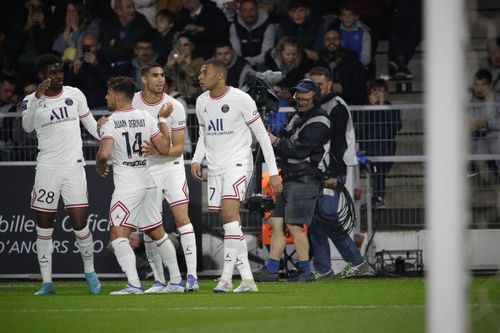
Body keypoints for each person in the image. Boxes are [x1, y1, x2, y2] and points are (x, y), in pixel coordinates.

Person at [191, 58, 282, 292]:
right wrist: (196, 158)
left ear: (220, 75)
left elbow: (262, 135)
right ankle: (248, 280)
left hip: (238, 163)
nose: (200, 76)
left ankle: (225, 278)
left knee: (230, 216)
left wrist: (272, 172)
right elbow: (204, 134)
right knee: (230, 224)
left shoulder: (241, 99)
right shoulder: (201, 102)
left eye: (204, 71)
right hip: (215, 167)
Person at [21, 53, 101, 296]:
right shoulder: (29, 100)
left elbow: (91, 125)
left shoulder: (74, 94)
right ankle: (47, 282)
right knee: (44, 226)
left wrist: (109, 137)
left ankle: (89, 271)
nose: (57, 76)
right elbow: (27, 127)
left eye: (60, 72)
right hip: (47, 169)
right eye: (52, 73)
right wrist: (36, 98)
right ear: (41, 76)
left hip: (74, 168)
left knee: (79, 223)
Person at [97, 76, 180, 295]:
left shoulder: (110, 122)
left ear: (116, 95)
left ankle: (134, 284)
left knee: (117, 234)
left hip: (128, 185)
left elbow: (104, 152)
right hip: (149, 182)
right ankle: (177, 282)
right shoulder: (145, 117)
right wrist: (162, 119)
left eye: (108, 93)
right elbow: (164, 147)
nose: (106, 97)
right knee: (158, 233)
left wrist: (99, 163)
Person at [132, 63, 199, 292]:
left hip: (171, 167)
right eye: (155, 75)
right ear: (144, 79)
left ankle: (191, 277)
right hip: (146, 170)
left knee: (182, 218)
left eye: (162, 75)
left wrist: (158, 150)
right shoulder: (133, 103)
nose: (160, 79)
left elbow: (178, 149)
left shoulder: (175, 107)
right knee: (150, 226)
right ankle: (161, 280)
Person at [255, 79, 330, 282]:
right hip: (288, 178)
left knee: (296, 227)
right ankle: (271, 270)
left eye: (306, 96)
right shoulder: (297, 115)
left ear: (315, 97)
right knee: (276, 224)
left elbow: (299, 150)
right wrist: (275, 138)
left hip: (304, 180)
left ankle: (306, 272)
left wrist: (276, 141)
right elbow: (284, 139)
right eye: (298, 96)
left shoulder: (320, 121)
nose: (301, 100)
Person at [308, 66, 372, 278]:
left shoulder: (336, 107)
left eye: (319, 85)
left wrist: (333, 174)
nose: (315, 89)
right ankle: (324, 268)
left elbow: (339, 144)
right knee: (316, 222)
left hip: (332, 172)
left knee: (327, 218)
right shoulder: (317, 105)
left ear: (329, 85)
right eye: (312, 85)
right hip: (319, 172)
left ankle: (357, 262)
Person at [357, 79, 402, 207]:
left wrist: (382, 107)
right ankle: (377, 197)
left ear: (386, 93)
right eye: (374, 91)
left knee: (378, 168)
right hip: (367, 148)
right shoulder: (364, 107)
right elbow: (359, 128)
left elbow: (395, 127)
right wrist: (371, 106)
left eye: (380, 91)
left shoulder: (391, 107)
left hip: (385, 148)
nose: (377, 94)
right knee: (375, 168)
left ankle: (378, 197)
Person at [318, 25, 368, 105]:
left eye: (335, 39)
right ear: (324, 42)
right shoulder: (318, 64)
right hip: (324, 110)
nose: (331, 42)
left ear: (341, 41)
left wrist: (342, 89)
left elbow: (362, 94)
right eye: (328, 39)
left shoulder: (354, 63)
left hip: (349, 108)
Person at [65, 32, 116, 109]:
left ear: (98, 46)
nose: (88, 49)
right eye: (85, 46)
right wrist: (75, 72)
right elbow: (69, 88)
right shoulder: (79, 62)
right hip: (83, 107)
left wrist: (96, 64)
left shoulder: (107, 60)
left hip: (102, 106)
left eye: (91, 46)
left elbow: (111, 83)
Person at [99, 0, 153, 66]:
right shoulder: (108, 23)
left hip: (134, 64)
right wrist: (127, 48)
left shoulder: (140, 20)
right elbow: (103, 48)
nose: (133, 10)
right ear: (119, 11)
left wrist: (117, 45)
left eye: (133, 6)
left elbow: (143, 45)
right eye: (128, 7)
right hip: (111, 64)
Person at [469, 69, 500, 175]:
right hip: (474, 143)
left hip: (495, 144)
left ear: (490, 85)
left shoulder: (498, 100)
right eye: (476, 85)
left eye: (483, 85)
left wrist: (485, 124)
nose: (479, 89)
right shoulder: (466, 101)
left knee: (495, 135)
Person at [229, 0, 275, 68]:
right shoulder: (234, 26)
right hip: (241, 65)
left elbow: (267, 53)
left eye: (252, 9)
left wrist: (249, 62)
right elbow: (236, 52)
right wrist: (244, 64)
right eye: (245, 10)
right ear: (240, 12)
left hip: (264, 65)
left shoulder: (268, 25)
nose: (248, 13)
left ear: (257, 10)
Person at [164, 33, 204, 105]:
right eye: (179, 45)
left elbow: (196, 81)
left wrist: (182, 63)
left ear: (192, 47)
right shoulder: (174, 64)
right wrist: (168, 66)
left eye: (186, 45)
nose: (182, 48)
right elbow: (162, 83)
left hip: (193, 102)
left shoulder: (199, 62)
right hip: (174, 101)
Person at [337, 4, 372, 68]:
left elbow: (366, 59)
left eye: (351, 14)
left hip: (357, 67)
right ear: (340, 18)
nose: (348, 18)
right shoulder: (336, 33)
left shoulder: (364, 34)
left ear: (356, 17)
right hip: (339, 66)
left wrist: (352, 65)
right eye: (344, 15)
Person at [0, 75, 16, 161]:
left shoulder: (12, 108)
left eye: (12, 91)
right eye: (6, 91)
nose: (9, 94)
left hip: (6, 149)